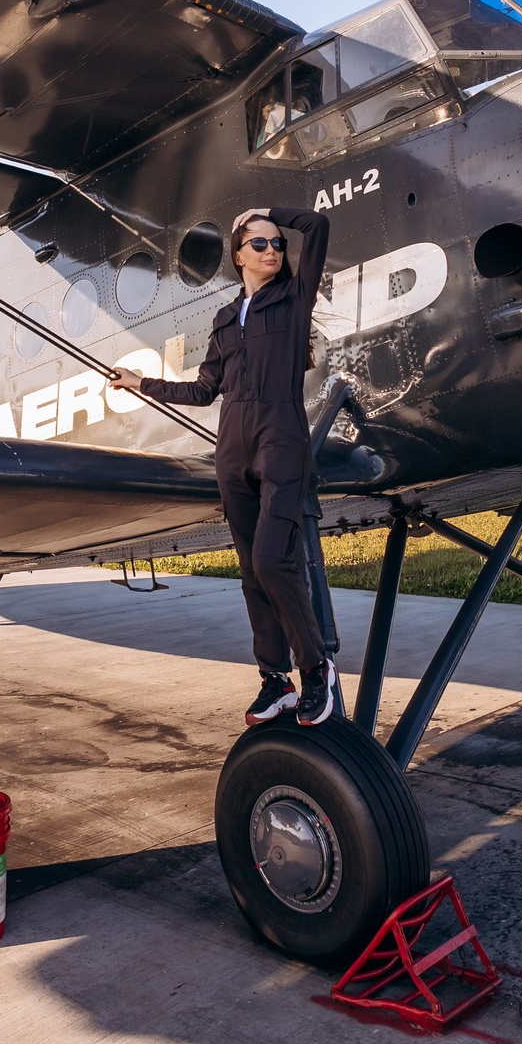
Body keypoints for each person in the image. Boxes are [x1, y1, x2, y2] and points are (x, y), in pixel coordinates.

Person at [109, 205, 335, 725]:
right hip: (232, 444)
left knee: (274, 562)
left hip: (281, 437)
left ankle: (315, 667)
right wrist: (140, 383)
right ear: (239, 256)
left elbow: (317, 228)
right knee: (251, 571)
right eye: (260, 243)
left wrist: (268, 213)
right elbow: (204, 389)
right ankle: (274, 679)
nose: (273, 250)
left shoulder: (295, 297)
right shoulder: (224, 319)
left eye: (277, 243)